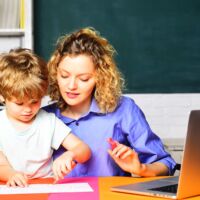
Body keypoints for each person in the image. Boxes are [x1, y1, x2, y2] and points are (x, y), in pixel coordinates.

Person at [44, 27, 176, 177]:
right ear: (55, 74)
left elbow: (165, 164)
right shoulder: (45, 116)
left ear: (100, 77)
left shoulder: (124, 110)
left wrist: (141, 169)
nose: (71, 85)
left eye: (84, 79)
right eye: (64, 75)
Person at [0, 48, 91, 187]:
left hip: (46, 186)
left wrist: (71, 154)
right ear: (2, 96)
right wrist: (11, 174)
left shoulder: (48, 122)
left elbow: (84, 149)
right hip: (10, 186)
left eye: (35, 101)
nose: (28, 110)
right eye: (19, 103)